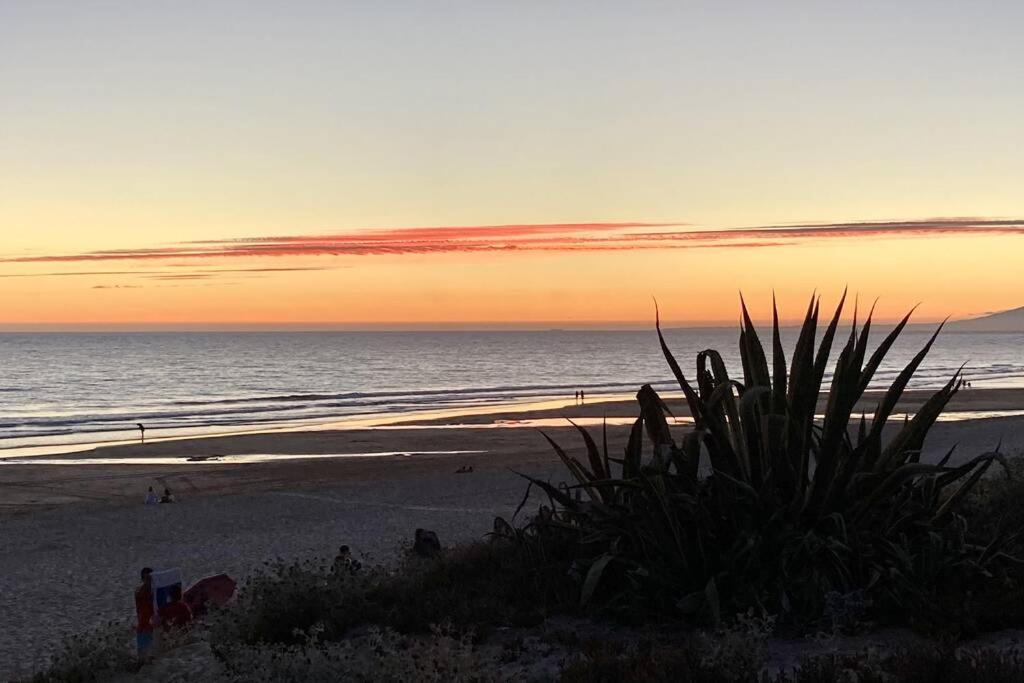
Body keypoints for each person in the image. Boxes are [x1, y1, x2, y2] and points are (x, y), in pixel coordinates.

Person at [135, 567, 155, 658]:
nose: (149, 581)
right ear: (143, 579)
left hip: (150, 623)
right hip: (143, 623)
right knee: (143, 653)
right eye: (147, 579)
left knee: (150, 653)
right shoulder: (140, 591)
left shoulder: (153, 590)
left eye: (151, 579)